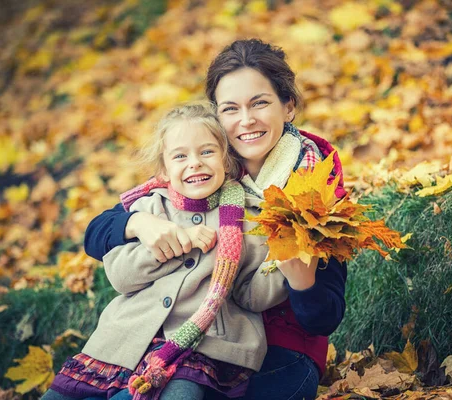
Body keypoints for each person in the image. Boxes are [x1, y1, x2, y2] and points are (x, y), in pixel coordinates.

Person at [84, 39, 348, 400]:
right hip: (194, 341)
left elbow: (324, 318)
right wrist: (138, 225)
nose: (246, 120)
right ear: (217, 116)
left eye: (260, 103)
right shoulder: (205, 166)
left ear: (288, 106)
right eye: (230, 109)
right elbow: (97, 233)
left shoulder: (315, 182)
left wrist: (302, 284)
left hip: (280, 351)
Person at [43, 102, 288, 400]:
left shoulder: (248, 217)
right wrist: (176, 243)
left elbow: (252, 295)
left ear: (226, 160)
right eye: (181, 156)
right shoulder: (148, 208)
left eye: (207, 152)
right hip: (124, 341)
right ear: (164, 168)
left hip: (203, 346)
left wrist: (285, 259)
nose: (195, 163)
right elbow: (121, 276)